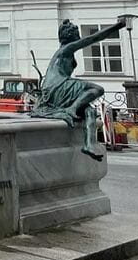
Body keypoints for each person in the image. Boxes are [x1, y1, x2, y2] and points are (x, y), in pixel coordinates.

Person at [30, 17, 125, 160]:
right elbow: (94, 38)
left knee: (90, 111)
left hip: (60, 87)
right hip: (58, 86)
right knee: (97, 89)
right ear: (69, 35)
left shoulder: (68, 51)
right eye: (75, 31)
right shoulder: (66, 48)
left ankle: (88, 144)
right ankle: (72, 109)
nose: (78, 33)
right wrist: (118, 26)